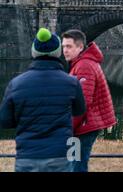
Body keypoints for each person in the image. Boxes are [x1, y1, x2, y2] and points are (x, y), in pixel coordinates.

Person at [0, 28, 86, 172]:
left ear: (34, 51)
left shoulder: (16, 84)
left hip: (27, 155)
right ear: (58, 52)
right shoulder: (71, 83)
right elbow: (79, 111)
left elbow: (4, 121)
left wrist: (25, 117)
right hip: (59, 155)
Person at [61, 29, 116, 172]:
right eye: (63, 46)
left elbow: (82, 103)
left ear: (80, 47)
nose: (65, 50)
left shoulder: (84, 66)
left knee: (76, 165)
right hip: (84, 124)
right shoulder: (82, 63)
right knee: (74, 163)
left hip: (84, 126)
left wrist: (69, 129)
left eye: (69, 46)